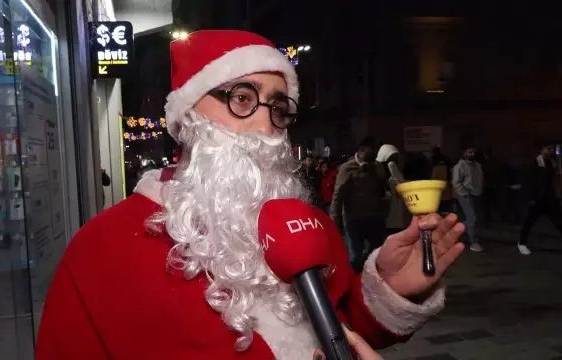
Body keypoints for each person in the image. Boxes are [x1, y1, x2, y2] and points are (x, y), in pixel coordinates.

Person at [36, 30, 465, 360]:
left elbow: (341, 330)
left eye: (278, 108)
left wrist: (388, 289)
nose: (266, 128)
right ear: (187, 116)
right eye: (241, 98)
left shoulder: (306, 223)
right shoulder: (101, 249)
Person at [330, 140, 389, 273]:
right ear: (360, 152)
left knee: (377, 253)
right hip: (353, 219)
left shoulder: (377, 167)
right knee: (355, 257)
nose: (369, 164)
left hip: (375, 218)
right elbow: (337, 195)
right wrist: (335, 222)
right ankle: (353, 282)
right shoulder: (347, 168)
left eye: (372, 160)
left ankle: (372, 282)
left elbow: (382, 189)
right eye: (367, 161)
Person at [518, 141, 562, 255]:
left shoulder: (551, 162)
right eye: (549, 148)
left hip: (550, 197)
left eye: (552, 148)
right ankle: (522, 243)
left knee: (559, 221)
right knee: (529, 222)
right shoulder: (534, 163)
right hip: (537, 199)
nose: (551, 151)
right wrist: (531, 198)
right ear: (542, 150)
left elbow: (553, 180)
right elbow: (529, 182)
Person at [453, 145, 484, 252]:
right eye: (469, 152)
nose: (472, 154)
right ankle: (473, 242)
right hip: (465, 195)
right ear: (464, 153)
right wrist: (465, 193)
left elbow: (480, 179)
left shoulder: (477, 165)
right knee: (472, 217)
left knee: (471, 218)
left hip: (476, 194)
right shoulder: (460, 166)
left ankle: (454, 233)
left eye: (473, 152)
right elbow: (456, 183)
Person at [376, 144, 410, 235]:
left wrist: (394, 171)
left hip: (395, 220)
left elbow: (403, 191)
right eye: (391, 158)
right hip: (380, 218)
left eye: (395, 158)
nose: (393, 161)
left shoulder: (396, 176)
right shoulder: (377, 174)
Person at [430, 147, 455, 214]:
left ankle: (442, 214)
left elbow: (433, 177)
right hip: (446, 183)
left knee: (440, 202)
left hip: (438, 185)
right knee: (446, 201)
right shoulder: (445, 159)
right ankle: (447, 213)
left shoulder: (435, 163)